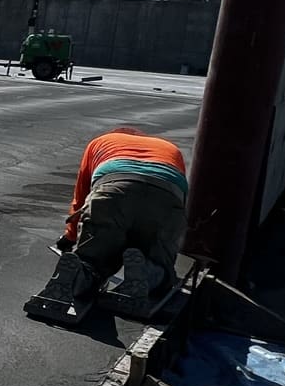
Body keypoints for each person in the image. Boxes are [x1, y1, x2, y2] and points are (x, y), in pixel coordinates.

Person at [46, 127, 188, 315]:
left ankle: (79, 274)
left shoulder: (100, 142)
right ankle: (146, 272)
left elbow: (80, 197)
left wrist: (70, 237)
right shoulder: (170, 148)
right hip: (165, 193)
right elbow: (180, 200)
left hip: (113, 186)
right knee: (159, 263)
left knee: (94, 260)